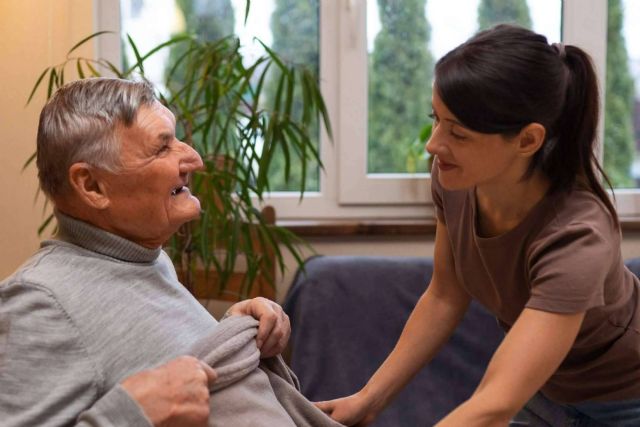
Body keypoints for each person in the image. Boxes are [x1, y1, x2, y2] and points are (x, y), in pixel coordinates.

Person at [316, 24, 640, 426]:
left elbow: (496, 402)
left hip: (626, 401)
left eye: (458, 133)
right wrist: (368, 399)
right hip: (544, 392)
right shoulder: (455, 180)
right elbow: (445, 295)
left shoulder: (577, 237)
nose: (433, 144)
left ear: (527, 140)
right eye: (436, 119)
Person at [0, 77, 295, 426]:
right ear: (92, 186)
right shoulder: (41, 301)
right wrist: (131, 415)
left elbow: (147, 358)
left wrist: (228, 334)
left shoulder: (146, 257)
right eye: (162, 148)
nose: (195, 159)